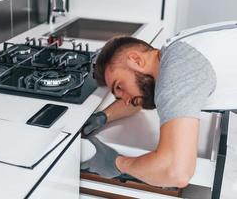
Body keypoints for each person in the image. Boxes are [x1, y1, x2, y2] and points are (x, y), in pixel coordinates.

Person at [81, 21, 237, 188]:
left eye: (120, 86)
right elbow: (138, 99)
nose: (125, 100)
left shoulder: (176, 72)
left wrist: (117, 163)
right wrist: (103, 117)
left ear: (136, 60)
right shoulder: (174, 50)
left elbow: (176, 172)